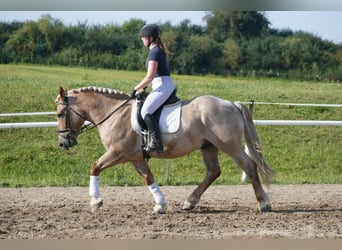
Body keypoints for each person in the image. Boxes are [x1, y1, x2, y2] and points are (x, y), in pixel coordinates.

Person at [130, 24, 176, 153]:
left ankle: (157, 142)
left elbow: (149, 77)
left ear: (150, 38)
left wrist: (135, 88)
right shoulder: (155, 51)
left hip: (163, 85)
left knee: (146, 111)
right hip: (160, 84)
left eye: (143, 37)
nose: (142, 39)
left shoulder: (154, 52)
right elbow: (153, 77)